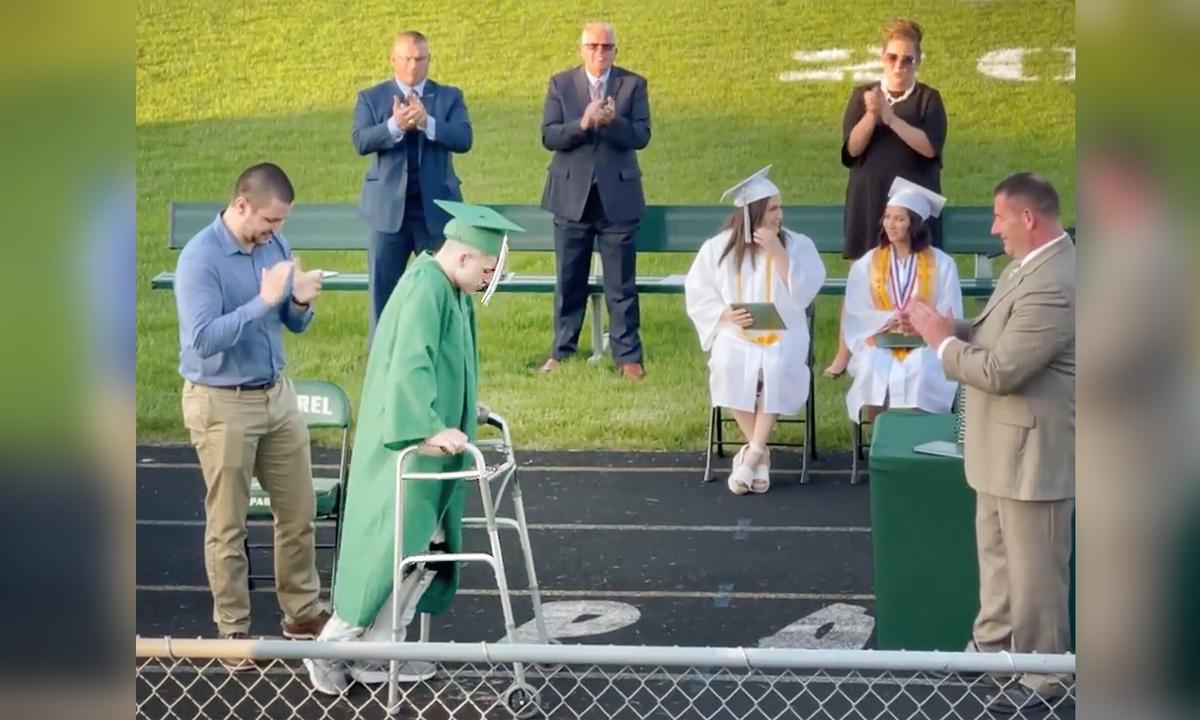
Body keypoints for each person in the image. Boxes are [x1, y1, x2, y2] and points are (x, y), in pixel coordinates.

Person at [305, 201, 523, 695]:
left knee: (424, 551)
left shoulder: (452, 291)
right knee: (387, 550)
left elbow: (447, 362)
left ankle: (378, 651)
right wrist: (425, 428)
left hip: (436, 446)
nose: (490, 281)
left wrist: (470, 404)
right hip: (405, 445)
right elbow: (411, 364)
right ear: (465, 259)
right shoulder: (426, 289)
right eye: (487, 269)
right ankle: (331, 646)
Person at [908, 172, 1074, 714]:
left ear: (1029, 218)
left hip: (1034, 453)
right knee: (999, 560)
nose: (994, 228)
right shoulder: (1027, 268)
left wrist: (940, 342)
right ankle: (993, 649)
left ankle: (1042, 674)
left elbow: (1004, 370)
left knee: (1035, 574)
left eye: (1000, 217)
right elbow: (986, 332)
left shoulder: (1056, 282)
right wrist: (939, 324)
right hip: (1001, 449)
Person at [173, 162, 329, 671]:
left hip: (276, 395)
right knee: (228, 522)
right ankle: (233, 629)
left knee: (299, 512)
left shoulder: (274, 247)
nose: (275, 233)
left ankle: (302, 614)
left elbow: (291, 321)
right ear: (241, 204)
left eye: (281, 224)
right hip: (222, 401)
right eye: (269, 221)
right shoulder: (200, 259)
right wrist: (262, 302)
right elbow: (202, 340)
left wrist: (299, 303)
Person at [684, 167, 826, 495]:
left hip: (785, 331)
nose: (780, 215)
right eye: (773, 208)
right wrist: (724, 312)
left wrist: (778, 252)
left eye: (780, 207)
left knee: (775, 365)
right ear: (754, 212)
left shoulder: (798, 244)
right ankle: (759, 452)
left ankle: (751, 455)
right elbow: (698, 289)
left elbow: (805, 292)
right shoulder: (718, 248)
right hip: (737, 333)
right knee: (726, 364)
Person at [826, 18, 947, 379]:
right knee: (860, 277)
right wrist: (871, 115)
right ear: (882, 57)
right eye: (893, 57)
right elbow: (851, 148)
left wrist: (891, 118)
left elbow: (929, 148)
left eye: (907, 60)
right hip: (869, 199)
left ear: (917, 62)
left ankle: (920, 342)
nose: (899, 65)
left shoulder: (928, 99)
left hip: (914, 204)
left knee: (916, 274)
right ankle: (845, 352)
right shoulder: (862, 95)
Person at [538, 21, 651, 380]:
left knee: (621, 284)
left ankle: (628, 356)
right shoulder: (561, 84)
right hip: (572, 198)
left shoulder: (632, 85)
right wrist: (584, 123)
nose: (600, 53)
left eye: (607, 47)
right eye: (593, 47)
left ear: (616, 50)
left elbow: (641, 135)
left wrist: (613, 121)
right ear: (581, 49)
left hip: (617, 198)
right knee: (569, 280)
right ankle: (561, 351)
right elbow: (549, 136)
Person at [353, 30, 473, 340]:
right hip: (388, 213)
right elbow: (361, 140)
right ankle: (382, 356)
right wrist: (394, 125)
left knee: (440, 288)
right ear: (393, 60)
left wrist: (427, 123)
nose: (413, 66)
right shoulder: (372, 97)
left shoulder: (449, 97)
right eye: (406, 59)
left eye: (419, 59)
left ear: (429, 61)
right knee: (383, 291)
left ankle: (441, 348)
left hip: (435, 212)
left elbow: (463, 139)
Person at [842, 177, 962, 424]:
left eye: (899, 219)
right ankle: (880, 440)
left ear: (914, 224)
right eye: (887, 217)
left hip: (925, 342)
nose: (891, 225)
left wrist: (920, 324)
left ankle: (916, 439)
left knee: (921, 367)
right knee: (874, 365)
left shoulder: (942, 264)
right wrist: (889, 319)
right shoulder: (867, 264)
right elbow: (855, 311)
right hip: (880, 339)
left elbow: (951, 311)